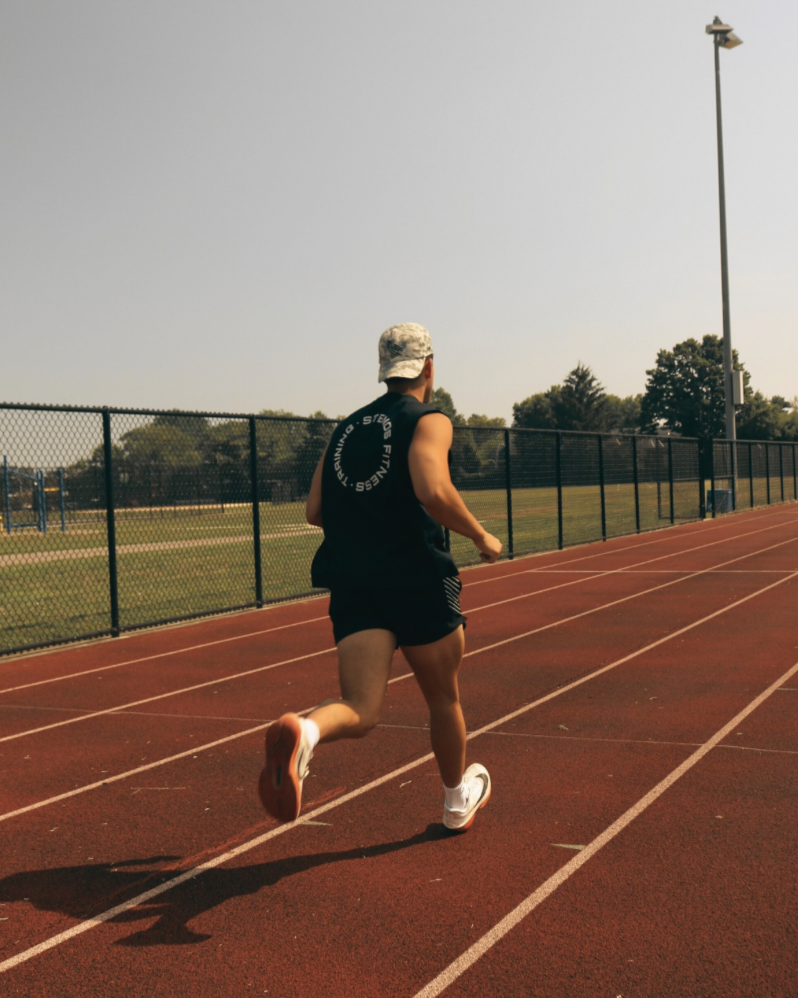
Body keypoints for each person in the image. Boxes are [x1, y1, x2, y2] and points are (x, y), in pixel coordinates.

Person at [258, 323, 503, 831]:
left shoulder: (346, 429)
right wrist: (482, 536)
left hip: (356, 583)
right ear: (428, 368)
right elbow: (431, 487)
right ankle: (457, 803)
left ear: (383, 371)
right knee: (443, 697)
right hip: (417, 579)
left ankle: (306, 731)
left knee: (361, 708)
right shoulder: (429, 419)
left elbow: (314, 509)